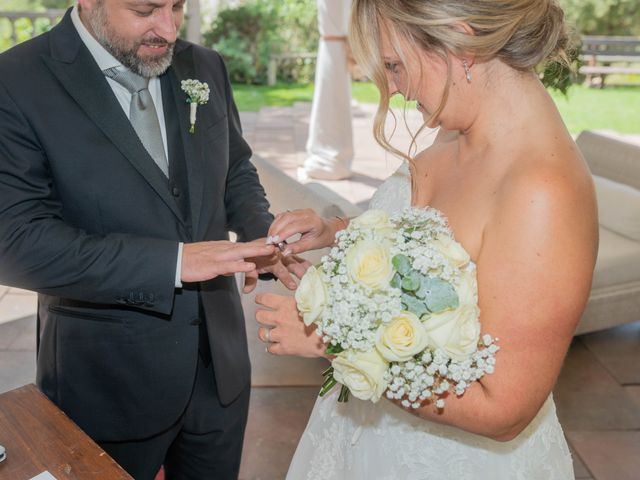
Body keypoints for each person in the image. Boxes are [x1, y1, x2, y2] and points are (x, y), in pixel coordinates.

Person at [255, 0, 599, 478]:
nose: (393, 88)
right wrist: (337, 232)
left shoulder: (543, 191)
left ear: (460, 43)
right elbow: (436, 239)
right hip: (365, 436)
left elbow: (502, 408)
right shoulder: (460, 128)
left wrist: (332, 340)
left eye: (394, 66)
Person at [0, 1, 305, 478]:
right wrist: (175, 263)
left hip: (220, 372)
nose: (167, 29)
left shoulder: (204, 65)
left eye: (177, 6)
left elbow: (235, 167)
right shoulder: (16, 79)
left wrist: (261, 234)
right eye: (146, 10)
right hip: (105, 381)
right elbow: (16, 243)